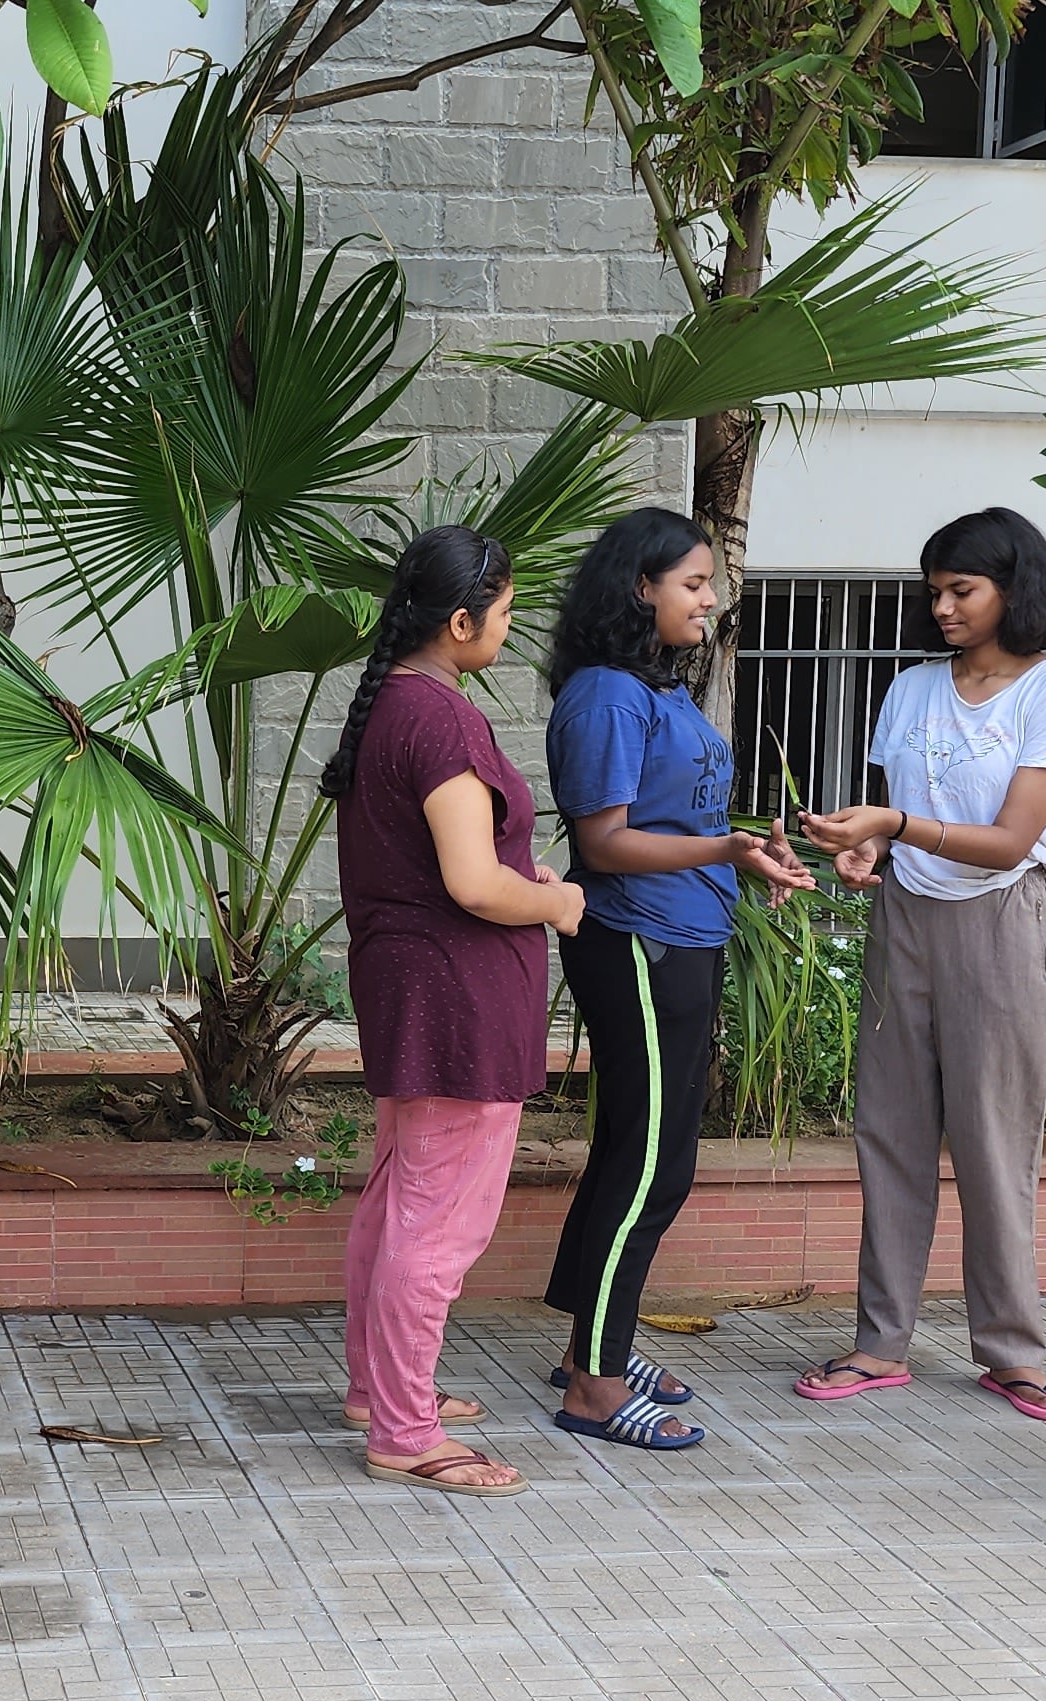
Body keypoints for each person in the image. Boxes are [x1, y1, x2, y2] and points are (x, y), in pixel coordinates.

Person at [793, 509, 1046, 1421]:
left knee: (995, 1135)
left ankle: (1011, 1349)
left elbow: (1007, 841)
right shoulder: (914, 687)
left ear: (1017, 588)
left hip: (1002, 920)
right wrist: (865, 853)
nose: (946, 608)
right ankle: (880, 1343)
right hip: (906, 915)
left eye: (963, 590)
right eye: (937, 593)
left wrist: (892, 827)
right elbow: (902, 815)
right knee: (889, 1128)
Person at [537, 509, 813, 1452]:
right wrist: (726, 848)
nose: (711, 598)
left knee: (634, 1149)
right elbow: (603, 841)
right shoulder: (608, 695)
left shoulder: (649, 687)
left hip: (679, 935)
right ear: (638, 589)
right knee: (654, 1164)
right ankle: (596, 1389)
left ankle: (589, 1349)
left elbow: (669, 817)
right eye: (693, 583)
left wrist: (745, 854)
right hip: (637, 940)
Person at [322, 525, 583, 1498]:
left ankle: (377, 1388)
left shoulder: (394, 703)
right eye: (504, 613)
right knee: (436, 1223)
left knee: (399, 1199)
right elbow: (473, 883)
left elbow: (454, 866)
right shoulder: (439, 718)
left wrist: (525, 876)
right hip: (454, 998)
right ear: (461, 618)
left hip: (410, 985)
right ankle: (402, 1426)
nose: (509, 630)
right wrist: (553, 901)